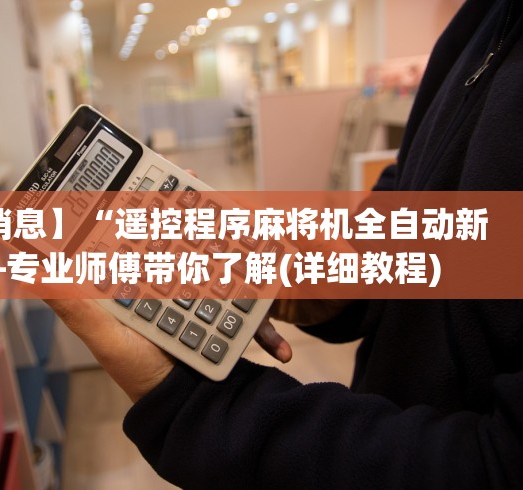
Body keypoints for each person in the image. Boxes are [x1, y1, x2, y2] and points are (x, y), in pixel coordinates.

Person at [46, 0, 523, 487]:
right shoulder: (485, 17)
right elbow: (414, 185)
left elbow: (500, 467)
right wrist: (350, 273)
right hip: (387, 397)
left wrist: (196, 410)